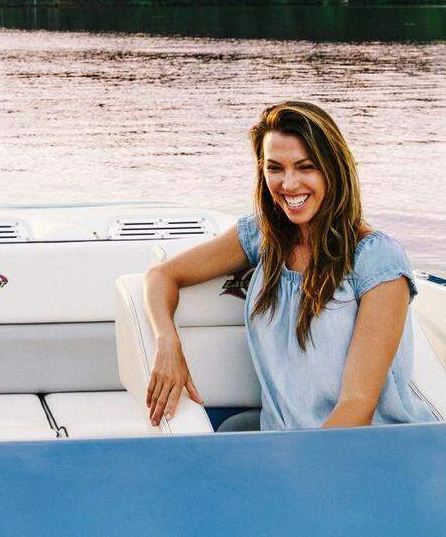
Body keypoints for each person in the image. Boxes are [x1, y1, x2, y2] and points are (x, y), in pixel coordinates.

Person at [143, 101, 436, 431]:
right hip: (284, 445)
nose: (289, 184)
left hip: (363, 451)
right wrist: (168, 344)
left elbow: (357, 407)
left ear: (333, 169)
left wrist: (299, 475)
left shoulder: (376, 258)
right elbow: (162, 276)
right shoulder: (263, 236)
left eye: (305, 166)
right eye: (275, 168)